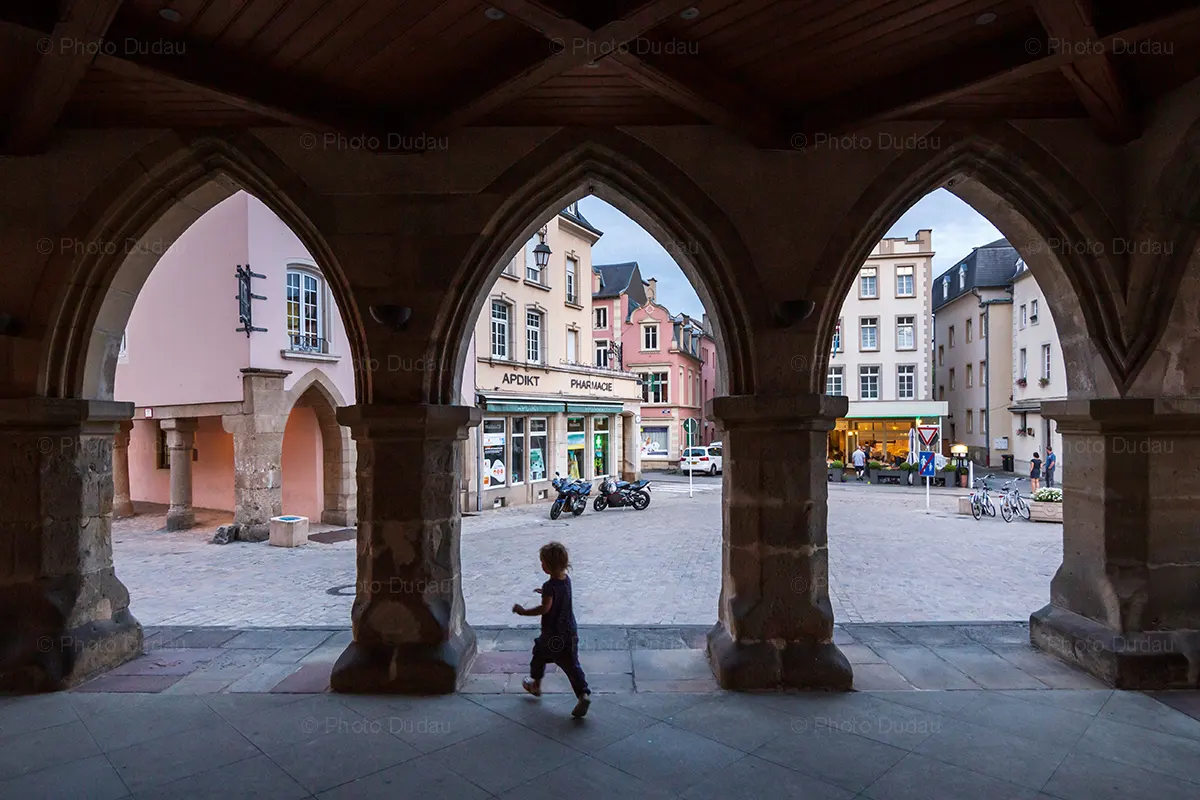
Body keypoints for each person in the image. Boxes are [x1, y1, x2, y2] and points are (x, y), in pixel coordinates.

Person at [512, 541, 591, 717]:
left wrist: (524, 612)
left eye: (543, 562)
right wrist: (545, 593)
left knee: (539, 655)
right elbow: (558, 595)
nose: (541, 565)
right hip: (570, 632)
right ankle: (583, 694)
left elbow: (545, 608)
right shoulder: (566, 580)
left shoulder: (550, 586)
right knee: (572, 665)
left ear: (547, 566)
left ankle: (536, 685)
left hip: (552, 635)